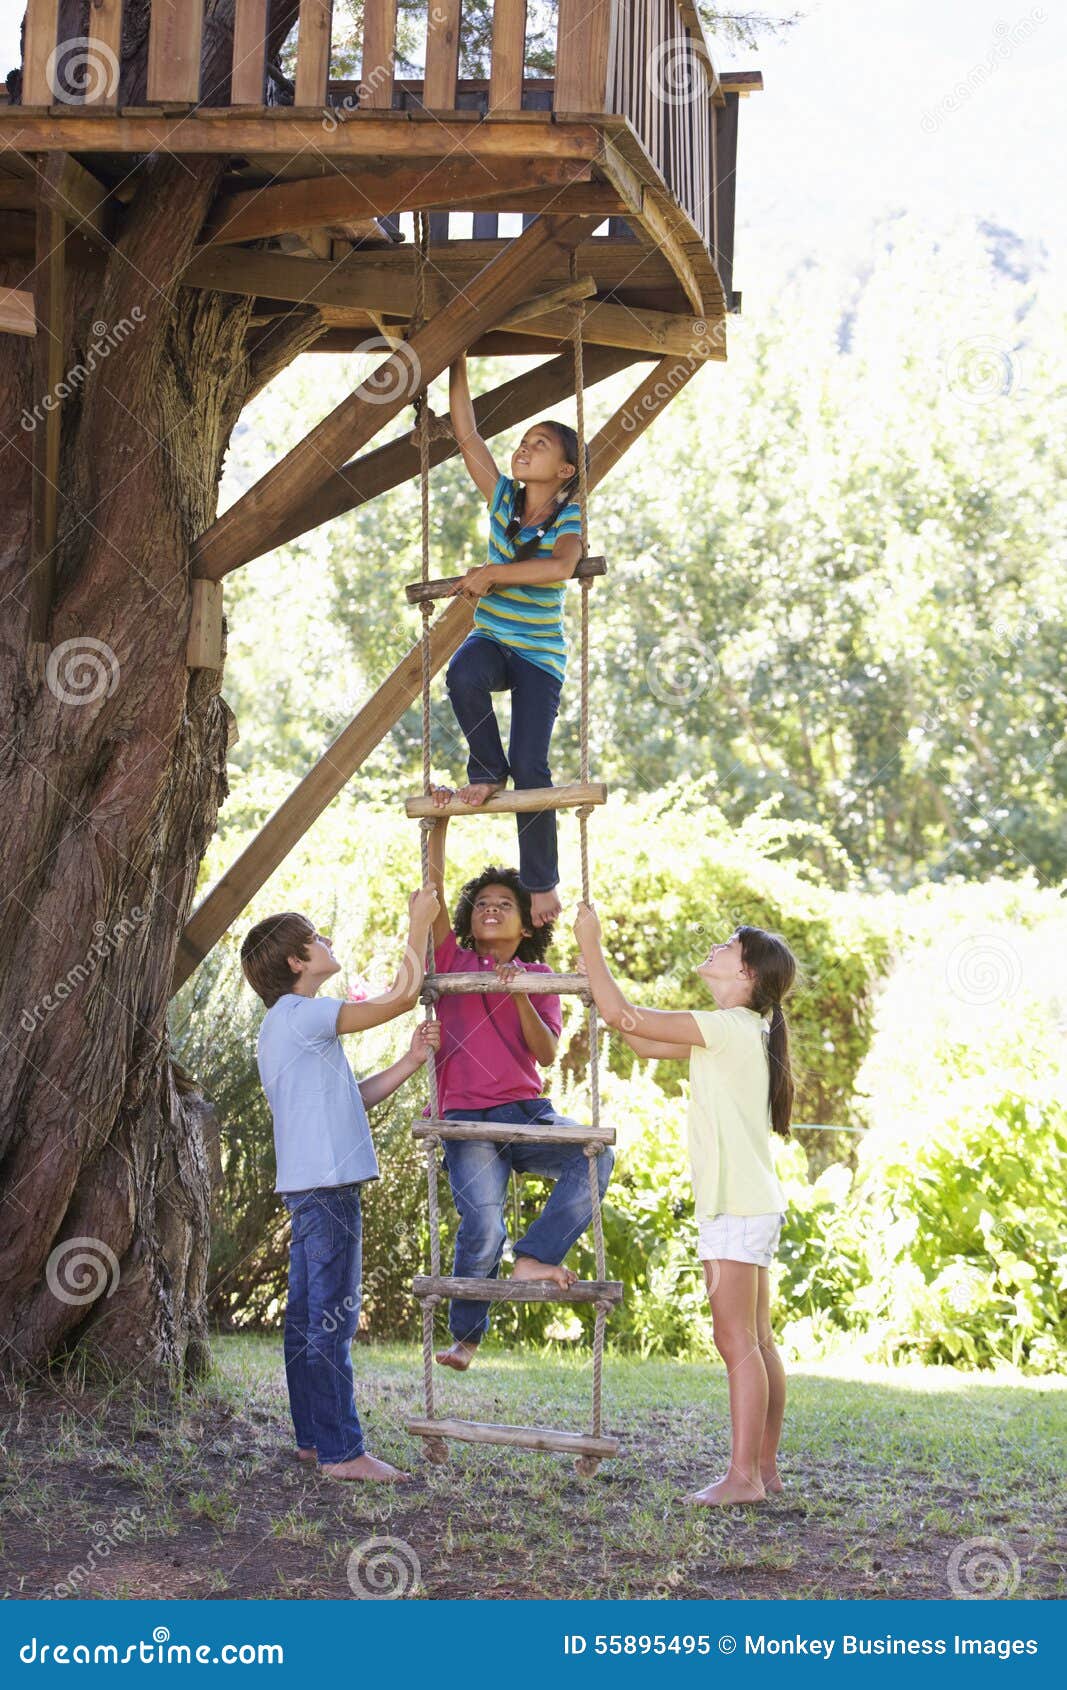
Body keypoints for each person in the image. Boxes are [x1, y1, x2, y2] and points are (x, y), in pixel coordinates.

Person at [574, 903, 797, 1506]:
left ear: (746, 975)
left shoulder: (726, 1026)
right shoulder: (736, 1032)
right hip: (750, 1204)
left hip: (735, 1208)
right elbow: (640, 1041)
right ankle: (764, 1470)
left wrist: (591, 944)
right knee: (758, 1340)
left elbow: (624, 1013)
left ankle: (744, 1478)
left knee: (737, 1343)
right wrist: (594, 975)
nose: (715, 947)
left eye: (728, 945)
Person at [240, 888, 439, 1484]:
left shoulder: (289, 1027)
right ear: (298, 963)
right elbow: (401, 997)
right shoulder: (303, 1016)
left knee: (307, 1317)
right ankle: (343, 1453)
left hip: (312, 1188)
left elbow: (350, 1101)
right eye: (317, 937)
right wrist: (417, 923)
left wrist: (408, 1064)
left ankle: (313, 1440)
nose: (328, 940)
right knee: (332, 1319)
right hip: (327, 1191)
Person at [424, 815, 614, 1371]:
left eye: (505, 903)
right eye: (482, 902)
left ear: (526, 923)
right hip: (465, 1115)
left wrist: (522, 993)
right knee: (482, 1225)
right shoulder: (451, 963)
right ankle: (466, 1338)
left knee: (594, 1153)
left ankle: (534, 1257)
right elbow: (430, 894)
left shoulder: (540, 974)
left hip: (527, 1111)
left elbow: (546, 1053)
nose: (490, 908)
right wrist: (437, 827)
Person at [432, 352, 588, 929]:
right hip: (495, 637)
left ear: (565, 471)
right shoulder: (501, 498)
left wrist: (494, 572)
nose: (524, 449)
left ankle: (542, 881)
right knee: (463, 673)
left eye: (540, 445)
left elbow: (561, 568)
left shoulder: (568, 516)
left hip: (539, 656)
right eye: (523, 442)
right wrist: (455, 361)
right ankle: (484, 771)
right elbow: (467, 431)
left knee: (533, 764)